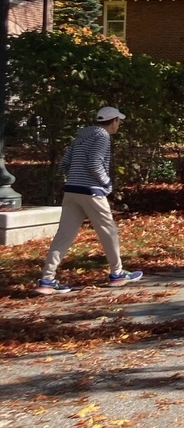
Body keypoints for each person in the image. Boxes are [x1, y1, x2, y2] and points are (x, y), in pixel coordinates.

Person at [35, 107, 143, 295]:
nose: (119, 125)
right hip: (91, 191)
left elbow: (64, 164)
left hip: (72, 191)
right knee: (109, 231)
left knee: (63, 236)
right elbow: (94, 162)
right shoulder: (102, 136)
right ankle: (117, 274)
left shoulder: (81, 137)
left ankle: (47, 280)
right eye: (119, 121)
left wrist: (76, 178)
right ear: (114, 121)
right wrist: (106, 182)